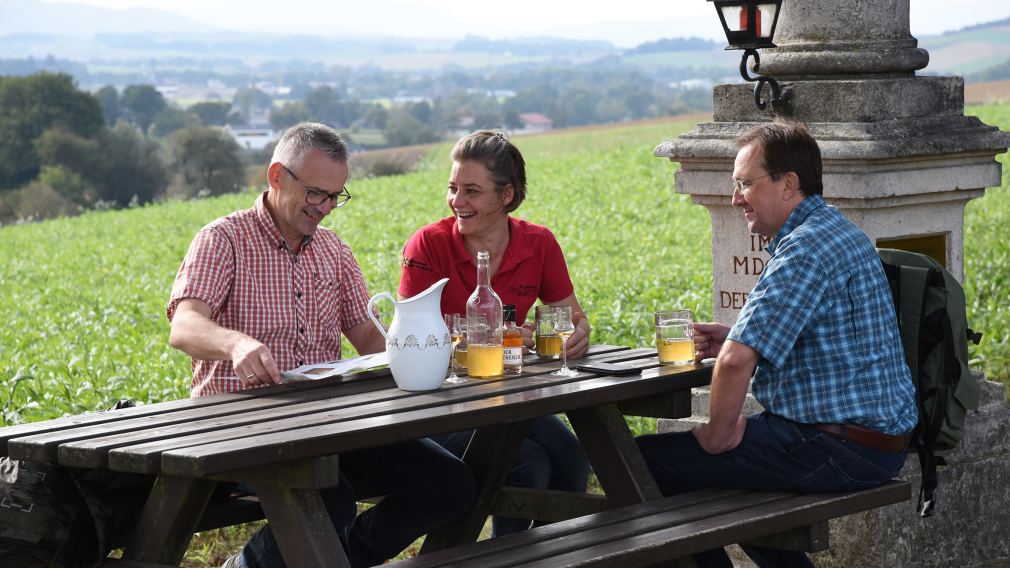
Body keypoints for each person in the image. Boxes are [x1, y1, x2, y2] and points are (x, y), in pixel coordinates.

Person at [167, 122, 474, 568]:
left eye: (335, 196)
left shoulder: (334, 251)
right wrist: (235, 345)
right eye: (315, 193)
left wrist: (428, 350)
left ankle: (338, 560)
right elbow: (184, 325)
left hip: (327, 424)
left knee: (450, 486)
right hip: (239, 426)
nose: (326, 208)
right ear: (276, 176)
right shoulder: (222, 239)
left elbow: (370, 339)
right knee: (329, 503)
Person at [636, 121, 918, 568]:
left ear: (789, 184)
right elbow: (820, 335)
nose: (735, 198)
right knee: (739, 487)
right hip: (874, 443)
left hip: (837, 446)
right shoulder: (836, 230)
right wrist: (735, 335)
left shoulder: (804, 248)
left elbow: (733, 364)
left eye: (746, 183)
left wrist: (717, 435)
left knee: (641, 465)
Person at [398, 130, 591, 537]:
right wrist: (490, 339)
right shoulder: (428, 245)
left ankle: (554, 558)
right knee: (527, 463)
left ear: (506, 196)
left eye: (471, 191)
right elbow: (411, 343)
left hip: (509, 397)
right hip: (445, 401)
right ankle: (508, 555)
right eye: (453, 188)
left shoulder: (538, 243)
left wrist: (575, 333)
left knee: (573, 458)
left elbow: (571, 318)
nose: (457, 202)